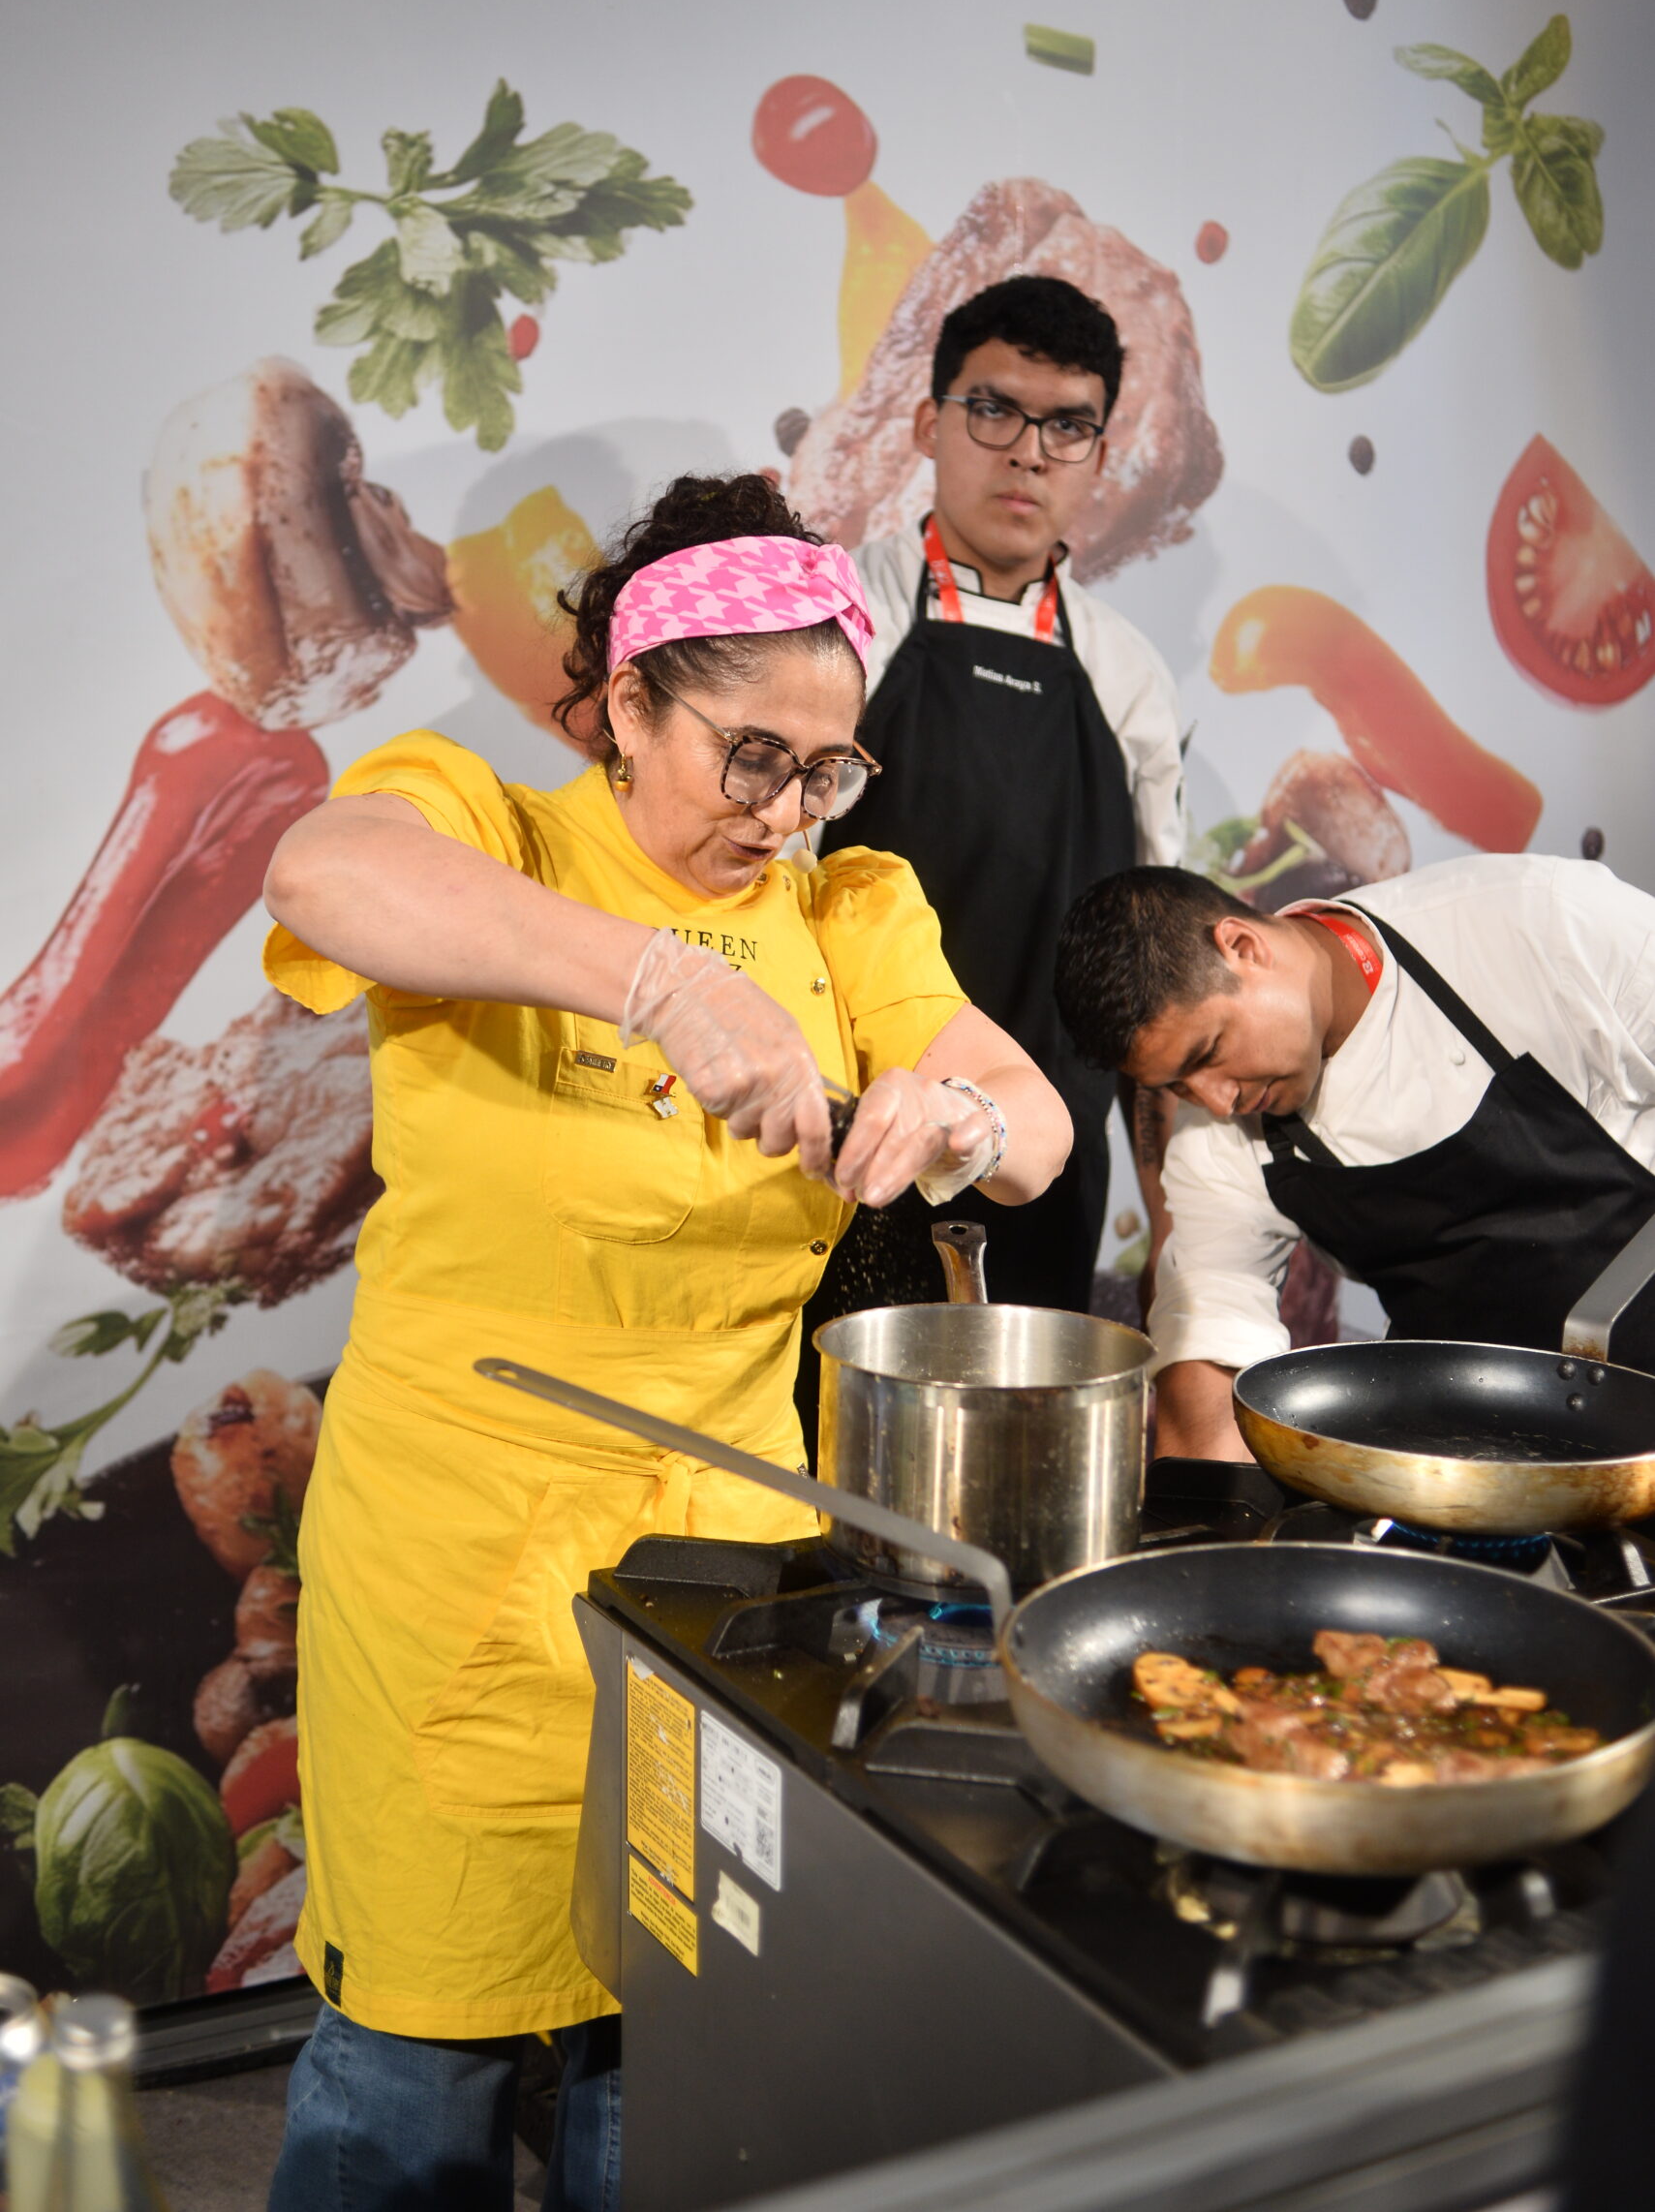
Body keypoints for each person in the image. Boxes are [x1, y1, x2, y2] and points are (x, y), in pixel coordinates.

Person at [259, 473, 1070, 2212]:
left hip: (719, 1571)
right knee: (420, 2062)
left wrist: (960, 1118)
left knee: (683, 2057)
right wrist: (662, 981)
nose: (782, 813)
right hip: (460, 1554)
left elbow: (1031, 1121)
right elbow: (322, 871)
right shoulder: (482, 826)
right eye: (747, 758)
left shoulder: (848, 912)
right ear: (628, 706)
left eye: (824, 770)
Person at [802, 275, 1181, 1384]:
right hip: (841, 1144)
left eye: (1066, 426)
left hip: (1042, 1160)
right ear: (927, 423)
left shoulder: (1129, 679)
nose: (1026, 453)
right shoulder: (840, 624)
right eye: (993, 409)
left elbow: (1149, 979)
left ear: (1097, 454)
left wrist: (1172, 1241)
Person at [1054, 854, 1655, 1460]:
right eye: (1178, 1086)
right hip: (1458, 1448)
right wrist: (1207, 1505)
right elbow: (1212, 1337)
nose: (1217, 1100)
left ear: (1243, 947)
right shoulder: (1212, 1137)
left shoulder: (1540, 920)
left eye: (1208, 1052)